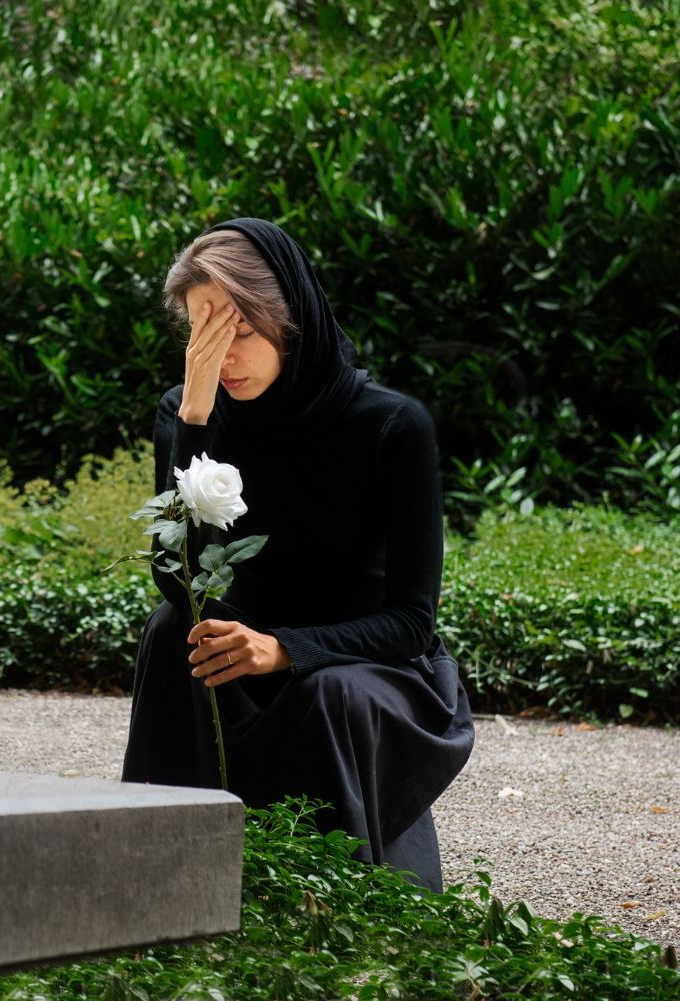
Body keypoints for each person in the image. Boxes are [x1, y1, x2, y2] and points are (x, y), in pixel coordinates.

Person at [120, 217, 475, 892]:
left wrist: (283, 648)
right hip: (241, 654)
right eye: (205, 335)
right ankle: (158, 881)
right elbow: (180, 581)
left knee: (327, 690)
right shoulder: (189, 411)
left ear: (291, 318)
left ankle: (334, 899)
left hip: (367, 667)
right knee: (174, 631)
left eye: (241, 333)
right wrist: (194, 423)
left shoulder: (392, 426)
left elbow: (410, 623)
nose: (223, 357)